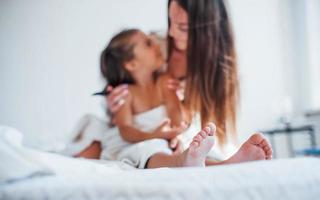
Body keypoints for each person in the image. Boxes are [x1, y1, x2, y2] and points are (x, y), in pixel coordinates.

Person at [77, 0, 273, 165]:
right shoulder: (156, 47)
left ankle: (224, 164)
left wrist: (176, 132)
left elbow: (184, 118)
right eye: (170, 21)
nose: (170, 33)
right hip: (147, 135)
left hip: (181, 130)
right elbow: (124, 113)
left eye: (182, 27)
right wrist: (113, 102)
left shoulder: (215, 71)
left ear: (207, 30)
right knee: (100, 141)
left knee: (195, 145)